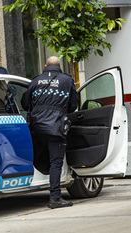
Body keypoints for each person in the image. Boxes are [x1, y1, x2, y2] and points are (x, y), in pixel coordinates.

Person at [21, 56, 79, 209]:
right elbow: (73, 105)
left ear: (45, 65)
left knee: (38, 154)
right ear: (59, 67)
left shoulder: (35, 81)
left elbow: (25, 103)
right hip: (56, 127)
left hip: (37, 127)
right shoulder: (67, 80)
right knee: (56, 163)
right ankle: (55, 198)